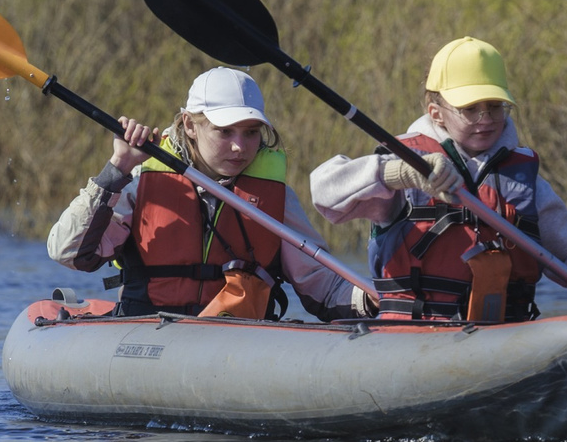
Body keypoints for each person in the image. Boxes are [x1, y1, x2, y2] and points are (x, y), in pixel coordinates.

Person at [308, 36, 567, 324]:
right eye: (470, 109)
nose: (486, 119)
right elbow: (324, 191)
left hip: (502, 334)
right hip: (412, 337)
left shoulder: (523, 180)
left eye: (494, 106)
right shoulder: (404, 161)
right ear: (435, 111)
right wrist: (399, 174)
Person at [47, 66, 372, 320]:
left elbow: (321, 284)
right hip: (147, 334)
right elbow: (68, 251)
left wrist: (368, 299)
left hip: (231, 345)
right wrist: (117, 167)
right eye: (224, 131)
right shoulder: (138, 183)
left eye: (250, 133)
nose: (239, 146)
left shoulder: (276, 199)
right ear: (189, 125)